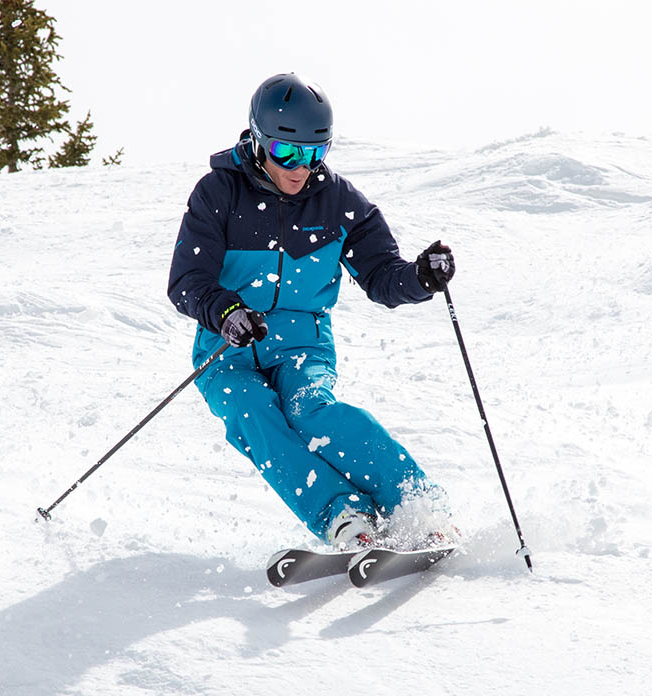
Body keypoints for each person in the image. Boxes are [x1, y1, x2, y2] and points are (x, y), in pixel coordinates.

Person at [168, 73, 456, 550]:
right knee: (253, 415)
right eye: (287, 152)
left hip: (302, 343)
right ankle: (343, 514)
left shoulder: (338, 203)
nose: (301, 167)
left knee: (313, 410)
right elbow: (186, 282)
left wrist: (420, 279)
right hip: (228, 348)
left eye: (314, 153)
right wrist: (226, 312)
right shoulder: (219, 193)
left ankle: (415, 504)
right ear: (259, 141)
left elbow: (382, 276)